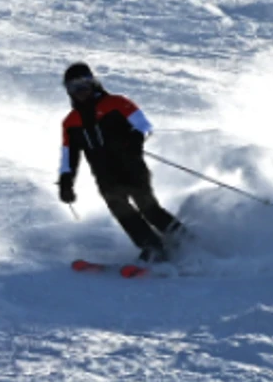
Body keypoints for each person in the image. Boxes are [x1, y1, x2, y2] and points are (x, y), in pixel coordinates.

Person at [57, 62, 186, 262]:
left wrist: (134, 140)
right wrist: (66, 180)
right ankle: (152, 247)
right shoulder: (71, 122)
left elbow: (144, 125)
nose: (80, 91)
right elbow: (69, 155)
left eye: (83, 83)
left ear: (93, 82)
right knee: (121, 211)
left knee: (148, 208)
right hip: (104, 176)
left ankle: (185, 240)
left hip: (131, 167)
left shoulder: (116, 102)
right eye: (73, 87)